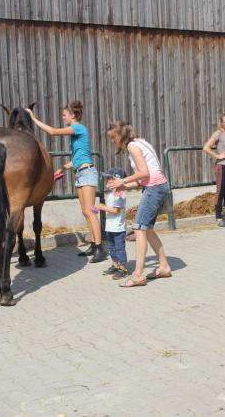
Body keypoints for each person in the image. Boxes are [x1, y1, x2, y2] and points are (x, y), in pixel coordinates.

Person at [26, 101, 108, 262]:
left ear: (72, 115)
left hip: (87, 173)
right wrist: (64, 168)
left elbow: (52, 131)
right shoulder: (76, 133)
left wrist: (33, 118)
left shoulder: (78, 128)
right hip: (80, 173)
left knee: (91, 211)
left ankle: (100, 248)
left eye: (64, 114)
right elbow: (79, 157)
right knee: (86, 211)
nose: (63, 117)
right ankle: (93, 244)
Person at [105, 121, 172, 287]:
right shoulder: (140, 142)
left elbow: (144, 173)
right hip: (157, 186)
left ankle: (138, 275)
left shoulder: (132, 147)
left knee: (139, 228)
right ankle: (164, 266)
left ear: (120, 136)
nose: (112, 141)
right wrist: (123, 185)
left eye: (113, 138)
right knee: (147, 229)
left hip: (154, 188)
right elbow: (143, 179)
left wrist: (122, 180)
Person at [93, 167, 129, 280]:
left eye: (110, 178)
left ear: (118, 180)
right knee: (112, 248)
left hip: (118, 228)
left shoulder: (120, 194)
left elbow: (116, 211)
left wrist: (102, 207)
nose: (107, 181)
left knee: (119, 248)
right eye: (107, 178)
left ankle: (123, 269)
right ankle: (115, 265)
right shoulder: (112, 193)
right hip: (110, 227)